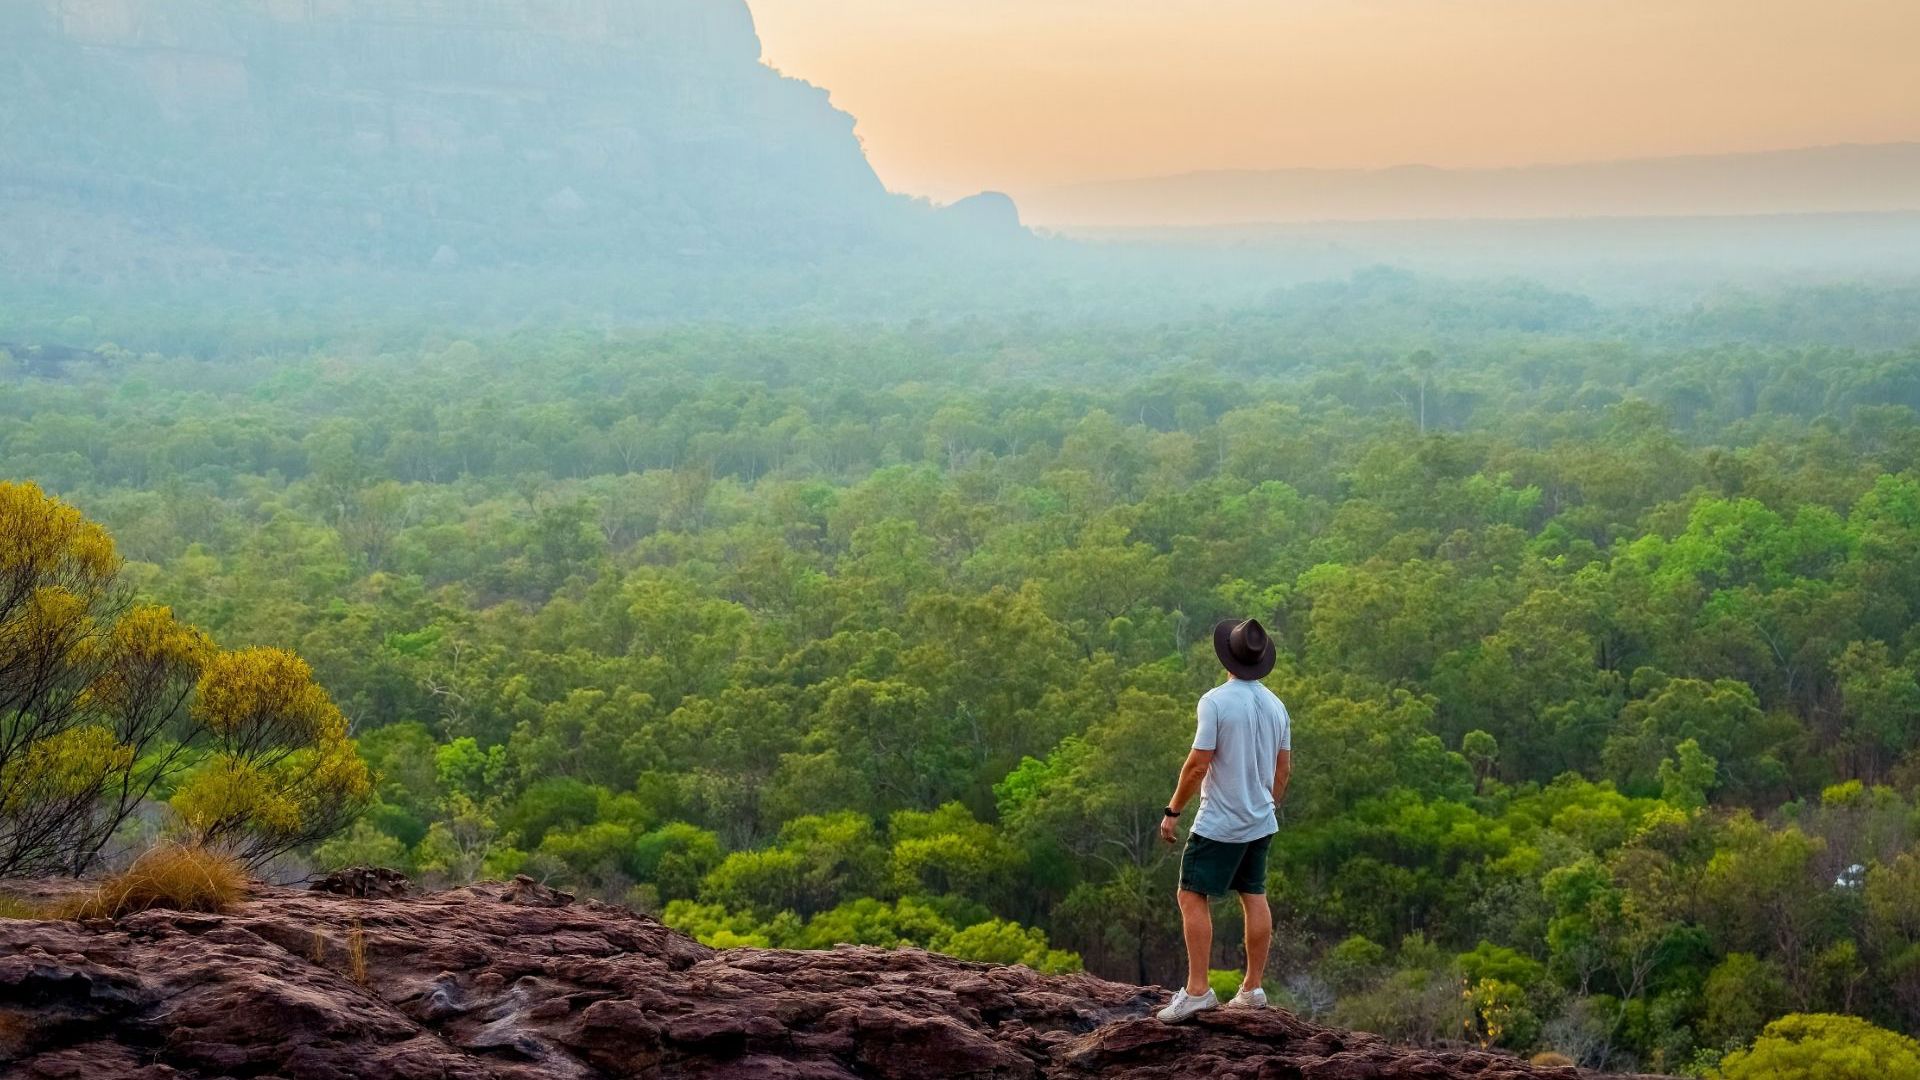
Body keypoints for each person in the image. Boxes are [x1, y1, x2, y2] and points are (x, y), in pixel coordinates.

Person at [1155, 617, 1291, 1022]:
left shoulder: (1214, 701)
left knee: (1191, 893)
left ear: (1226, 657)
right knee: (1253, 894)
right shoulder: (1276, 705)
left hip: (1221, 822)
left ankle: (1198, 990)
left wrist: (1173, 810)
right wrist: (1268, 804)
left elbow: (1198, 764)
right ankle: (1252, 989)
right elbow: (1284, 771)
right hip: (1260, 821)